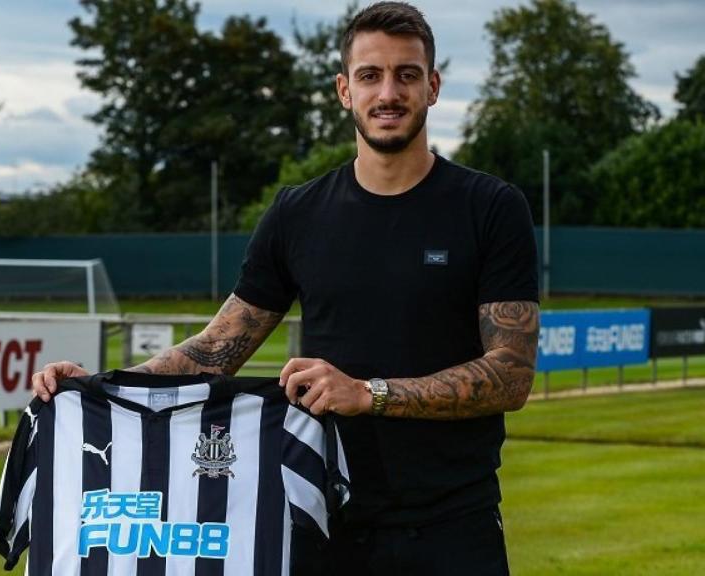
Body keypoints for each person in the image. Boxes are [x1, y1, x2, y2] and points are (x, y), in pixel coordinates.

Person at [33, 2, 539, 574]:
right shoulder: (298, 213)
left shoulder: (491, 208)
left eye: (407, 74)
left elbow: (511, 374)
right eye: (370, 76)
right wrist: (98, 387)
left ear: (434, 86)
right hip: (322, 519)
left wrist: (368, 393)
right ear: (344, 91)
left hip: (452, 523)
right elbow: (214, 349)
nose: (388, 93)